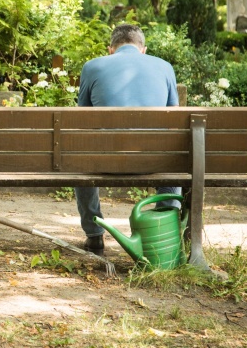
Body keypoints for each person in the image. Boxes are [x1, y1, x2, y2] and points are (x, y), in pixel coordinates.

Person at [75, 24, 181, 255]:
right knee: (174, 157)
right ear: (143, 49)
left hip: (105, 160)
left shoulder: (92, 66)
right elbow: (175, 118)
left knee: (80, 161)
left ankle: (94, 235)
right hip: (154, 161)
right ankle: (162, 232)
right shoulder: (164, 67)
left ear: (111, 49)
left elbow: (82, 116)